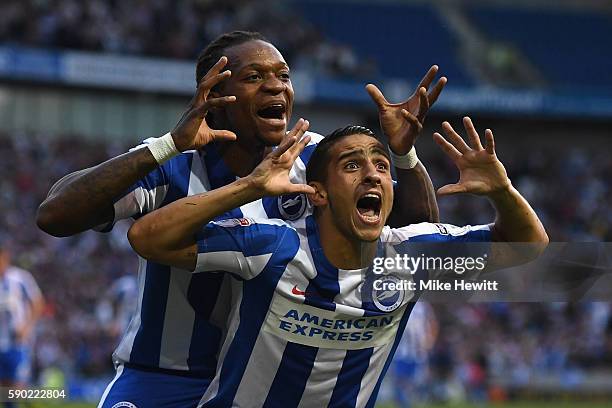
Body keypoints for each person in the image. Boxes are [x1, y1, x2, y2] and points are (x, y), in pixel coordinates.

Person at [35, 31, 446, 407]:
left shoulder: (313, 160)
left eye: (283, 75)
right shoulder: (174, 162)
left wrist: (404, 156)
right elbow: (55, 215)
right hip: (164, 377)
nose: (276, 86)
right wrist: (168, 144)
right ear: (216, 95)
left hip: (264, 384)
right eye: (253, 77)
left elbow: (414, 236)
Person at [127, 118, 549, 407]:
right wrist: (246, 188)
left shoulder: (412, 254)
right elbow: (146, 238)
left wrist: (503, 191)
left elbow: (528, 244)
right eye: (352, 166)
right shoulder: (275, 248)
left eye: (381, 167)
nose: (372, 175)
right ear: (319, 192)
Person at [0, 241, 44, 408]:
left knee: (17, 387)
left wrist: (27, 327)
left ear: (6, 257)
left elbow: (38, 303)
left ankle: (28, 400)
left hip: (18, 343)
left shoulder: (20, 278)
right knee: (5, 390)